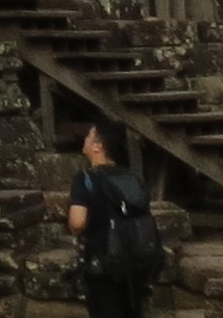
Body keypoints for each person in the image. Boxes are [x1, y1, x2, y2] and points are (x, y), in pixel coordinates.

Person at [67, 123, 159, 318]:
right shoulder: (132, 176)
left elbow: (77, 222)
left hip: (103, 260)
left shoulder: (85, 179)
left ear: (97, 146)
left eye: (89, 136)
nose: (85, 140)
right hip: (136, 260)